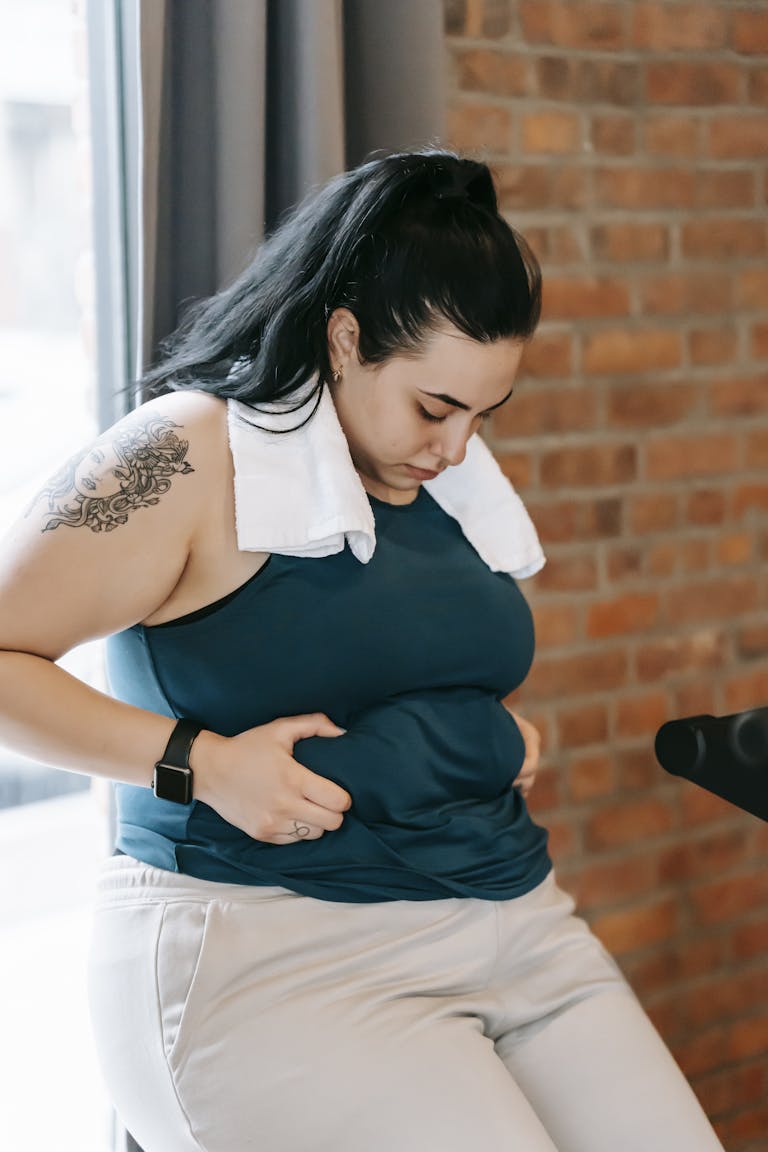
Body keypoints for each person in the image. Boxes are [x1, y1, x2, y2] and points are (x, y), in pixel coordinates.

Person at [0, 150, 724, 1152]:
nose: (460, 445)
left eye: (485, 413)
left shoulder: (441, 475)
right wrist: (197, 762)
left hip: (514, 916)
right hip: (278, 949)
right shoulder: (190, 452)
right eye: (436, 407)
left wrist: (484, 738)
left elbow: (414, 658)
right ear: (344, 340)